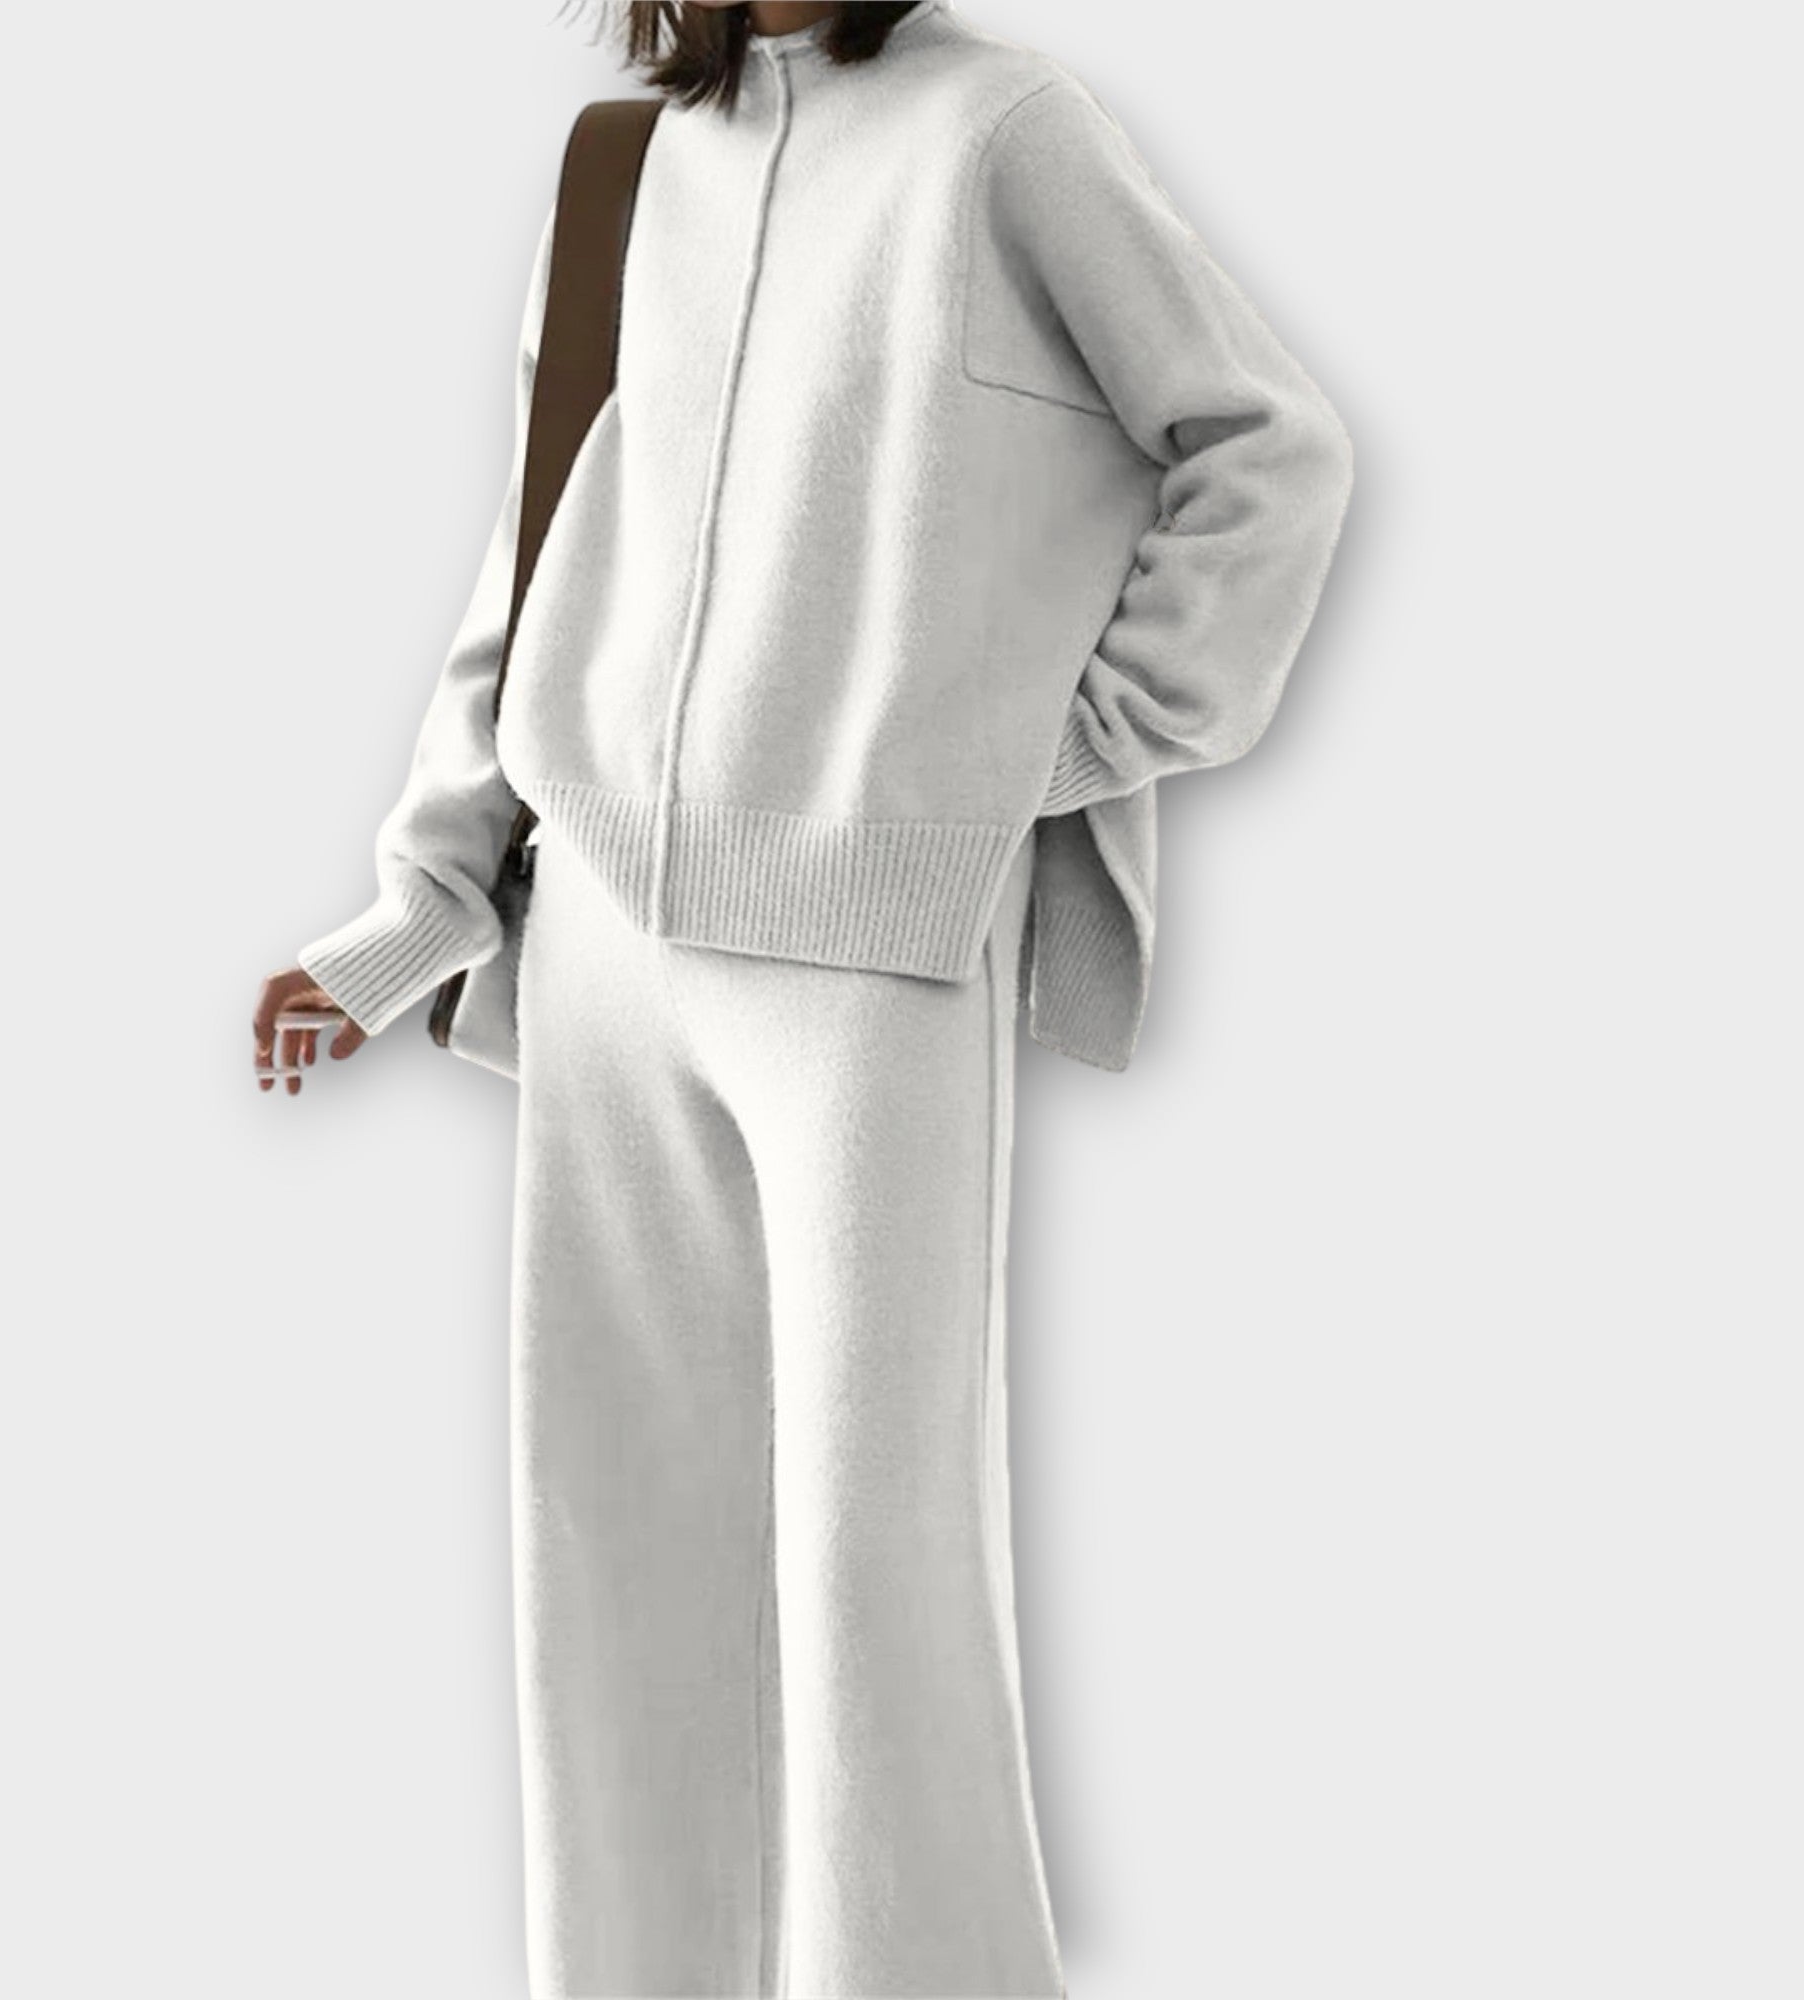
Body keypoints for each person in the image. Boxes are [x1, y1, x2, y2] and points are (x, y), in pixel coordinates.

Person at [252, 2, 1353, 1993]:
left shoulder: (1004, 132)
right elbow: (533, 558)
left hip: (867, 965)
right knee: (610, 1550)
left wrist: (1047, 744)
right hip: (602, 949)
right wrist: (415, 909)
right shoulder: (621, 166)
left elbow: (1268, 451)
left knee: (875, 1578)